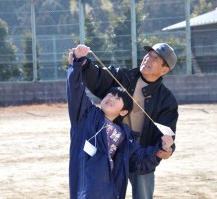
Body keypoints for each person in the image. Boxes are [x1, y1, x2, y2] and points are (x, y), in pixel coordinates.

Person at [72, 43, 179, 199]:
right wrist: (84, 62)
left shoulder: (167, 100)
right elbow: (98, 76)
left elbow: (167, 135)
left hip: (140, 155)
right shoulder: (123, 76)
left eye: (155, 58)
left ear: (164, 70)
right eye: (149, 54)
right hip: (110, 150)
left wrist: (167, 148)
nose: (148, 59)